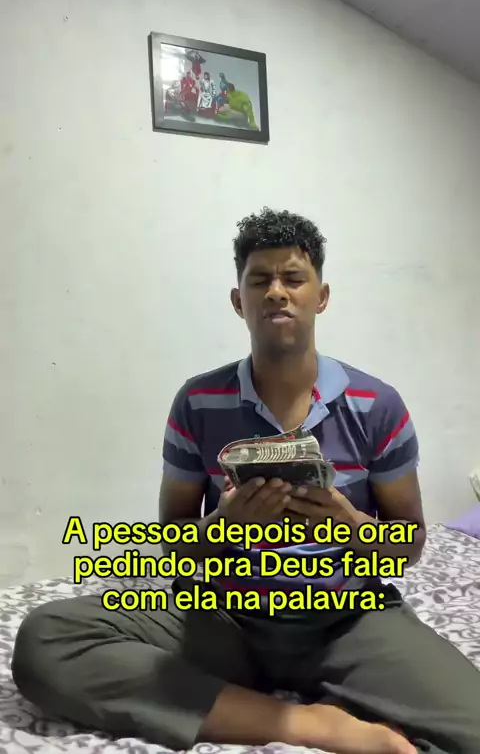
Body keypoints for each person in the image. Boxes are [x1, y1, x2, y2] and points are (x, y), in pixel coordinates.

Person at [11, 208, 480, 754]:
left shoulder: (377, 405)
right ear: (239, 301)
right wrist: (223, 526)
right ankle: (310, 725)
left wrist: (352, 525)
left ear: (322, 296)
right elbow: (173, 540)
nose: (277, 292)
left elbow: (411, 543)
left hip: (346, 621)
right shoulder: (197, 402)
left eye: (294, 278)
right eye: (260, 281)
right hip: (223, 619)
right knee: (45, 640)